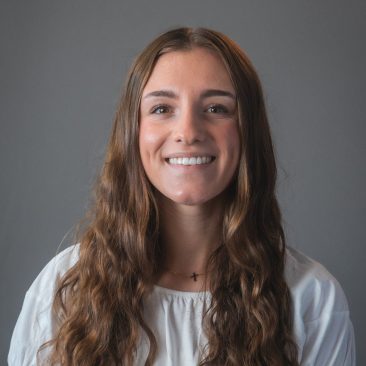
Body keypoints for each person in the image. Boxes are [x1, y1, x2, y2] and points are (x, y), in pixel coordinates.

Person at [8, 27, 355, 366]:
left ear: (248, 131)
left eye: (217, 108)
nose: (188, 132)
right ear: (134, 131)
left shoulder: (312, 299)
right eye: (161, 109)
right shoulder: (63, 288)